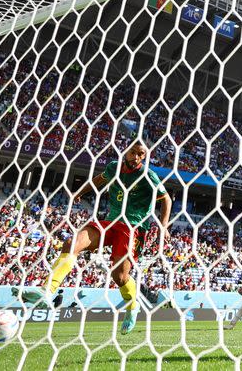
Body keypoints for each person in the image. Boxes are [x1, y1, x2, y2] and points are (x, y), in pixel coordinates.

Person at [13, 141, 171, 335]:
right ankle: (47, 291)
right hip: (110, 222)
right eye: (133, 152)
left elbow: (166, 199)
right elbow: (98, 180)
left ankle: (132, 307)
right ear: (126, 151)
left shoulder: (148, 176)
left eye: (140, 154)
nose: (136, 157)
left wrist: (163, 227)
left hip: (133, 228)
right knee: (71, 244)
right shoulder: (114, 167)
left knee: (120, 277)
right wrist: (79, 193)